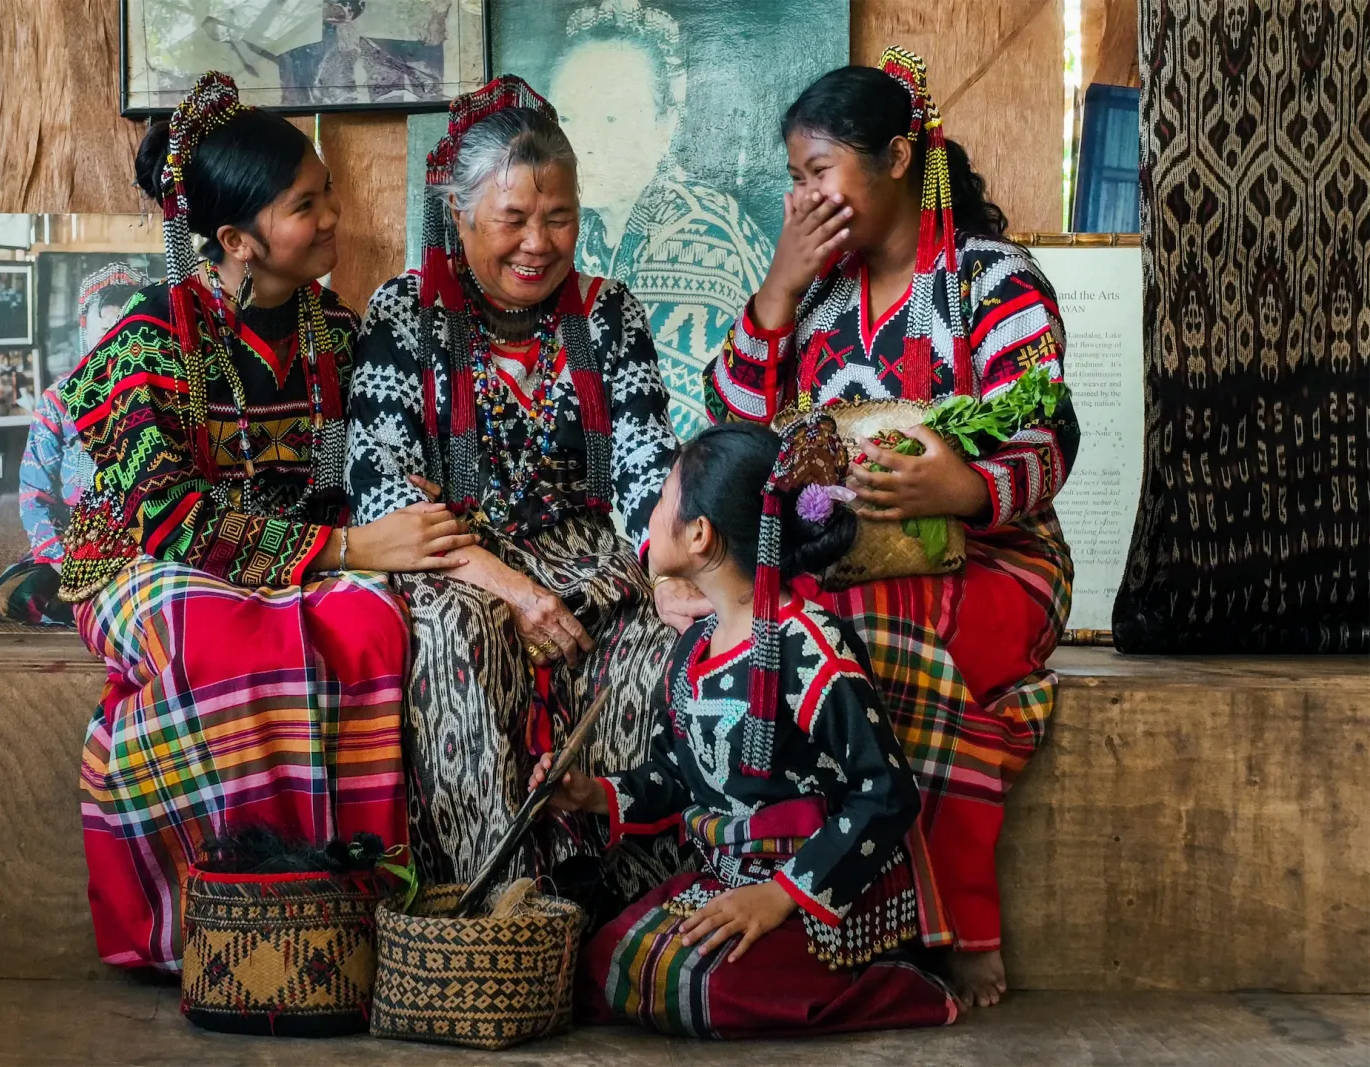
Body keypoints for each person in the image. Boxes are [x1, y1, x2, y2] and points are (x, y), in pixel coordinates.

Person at [57, 72, 479, 971]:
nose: (333, 216)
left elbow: (360, 475)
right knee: (222, 633)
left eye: (328, 192)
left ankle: (347, 905)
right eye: (306, 205)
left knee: (369, 624)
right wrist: (352, 548)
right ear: (237, 241)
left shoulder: (334, 332)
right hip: (144, 564)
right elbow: (171, 521)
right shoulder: (152, 341)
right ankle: (204, 918)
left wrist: (374, 546)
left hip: (296, 566)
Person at [704, 49, 1080, 1006]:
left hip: (1001, 559)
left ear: (901, 157)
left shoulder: (992, 281)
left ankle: (963, 921)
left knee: (886, 640)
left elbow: (1050, 433)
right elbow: (735, 436)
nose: (803, 198)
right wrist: (779, 288)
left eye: (818, 172)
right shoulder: (818, 291)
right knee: (795, 640)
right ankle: (841, 922)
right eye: (793, 179)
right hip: (849, 567)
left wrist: (956, 488)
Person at [348, 76, 712, 913]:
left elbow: (642, 459)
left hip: (593, 562)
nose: (537, 244)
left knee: (668, 645)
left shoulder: (608, 313)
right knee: (455, 637)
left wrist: (663, 568)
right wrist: (512, 589)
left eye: (559, 218)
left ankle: (626, 913)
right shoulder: (407, 314)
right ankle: (494, 908)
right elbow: (382, 490)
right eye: (512, 220)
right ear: (461, 213)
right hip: (456, 565)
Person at [530, 422, 958, 1037]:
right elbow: (678, 777)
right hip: (727, 882)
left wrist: (782, 894)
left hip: (811, 894)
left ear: (699, 534)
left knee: (702, 988)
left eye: (661, 500)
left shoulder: (811, 650)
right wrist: (590, 793)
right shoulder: (692, 651)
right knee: (604, 964)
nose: (650, 516)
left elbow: (886, 793)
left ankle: (894, 985)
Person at [547, 0, 773, 438]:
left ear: (665, 125)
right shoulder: (583, 230)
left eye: (610, 118)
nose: (581, 143)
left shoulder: (701, 233)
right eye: (567, 118)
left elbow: (677, 432)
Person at [0, 265, 145, 627]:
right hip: (75, 546)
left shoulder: (162, 395)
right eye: (107, 331)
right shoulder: (59, 400)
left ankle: (96, 607)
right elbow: (34, 493)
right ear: (85, 331)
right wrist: (60, 558)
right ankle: (88, 607)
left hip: (144, 545)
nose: (117, 342)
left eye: (128, 330)